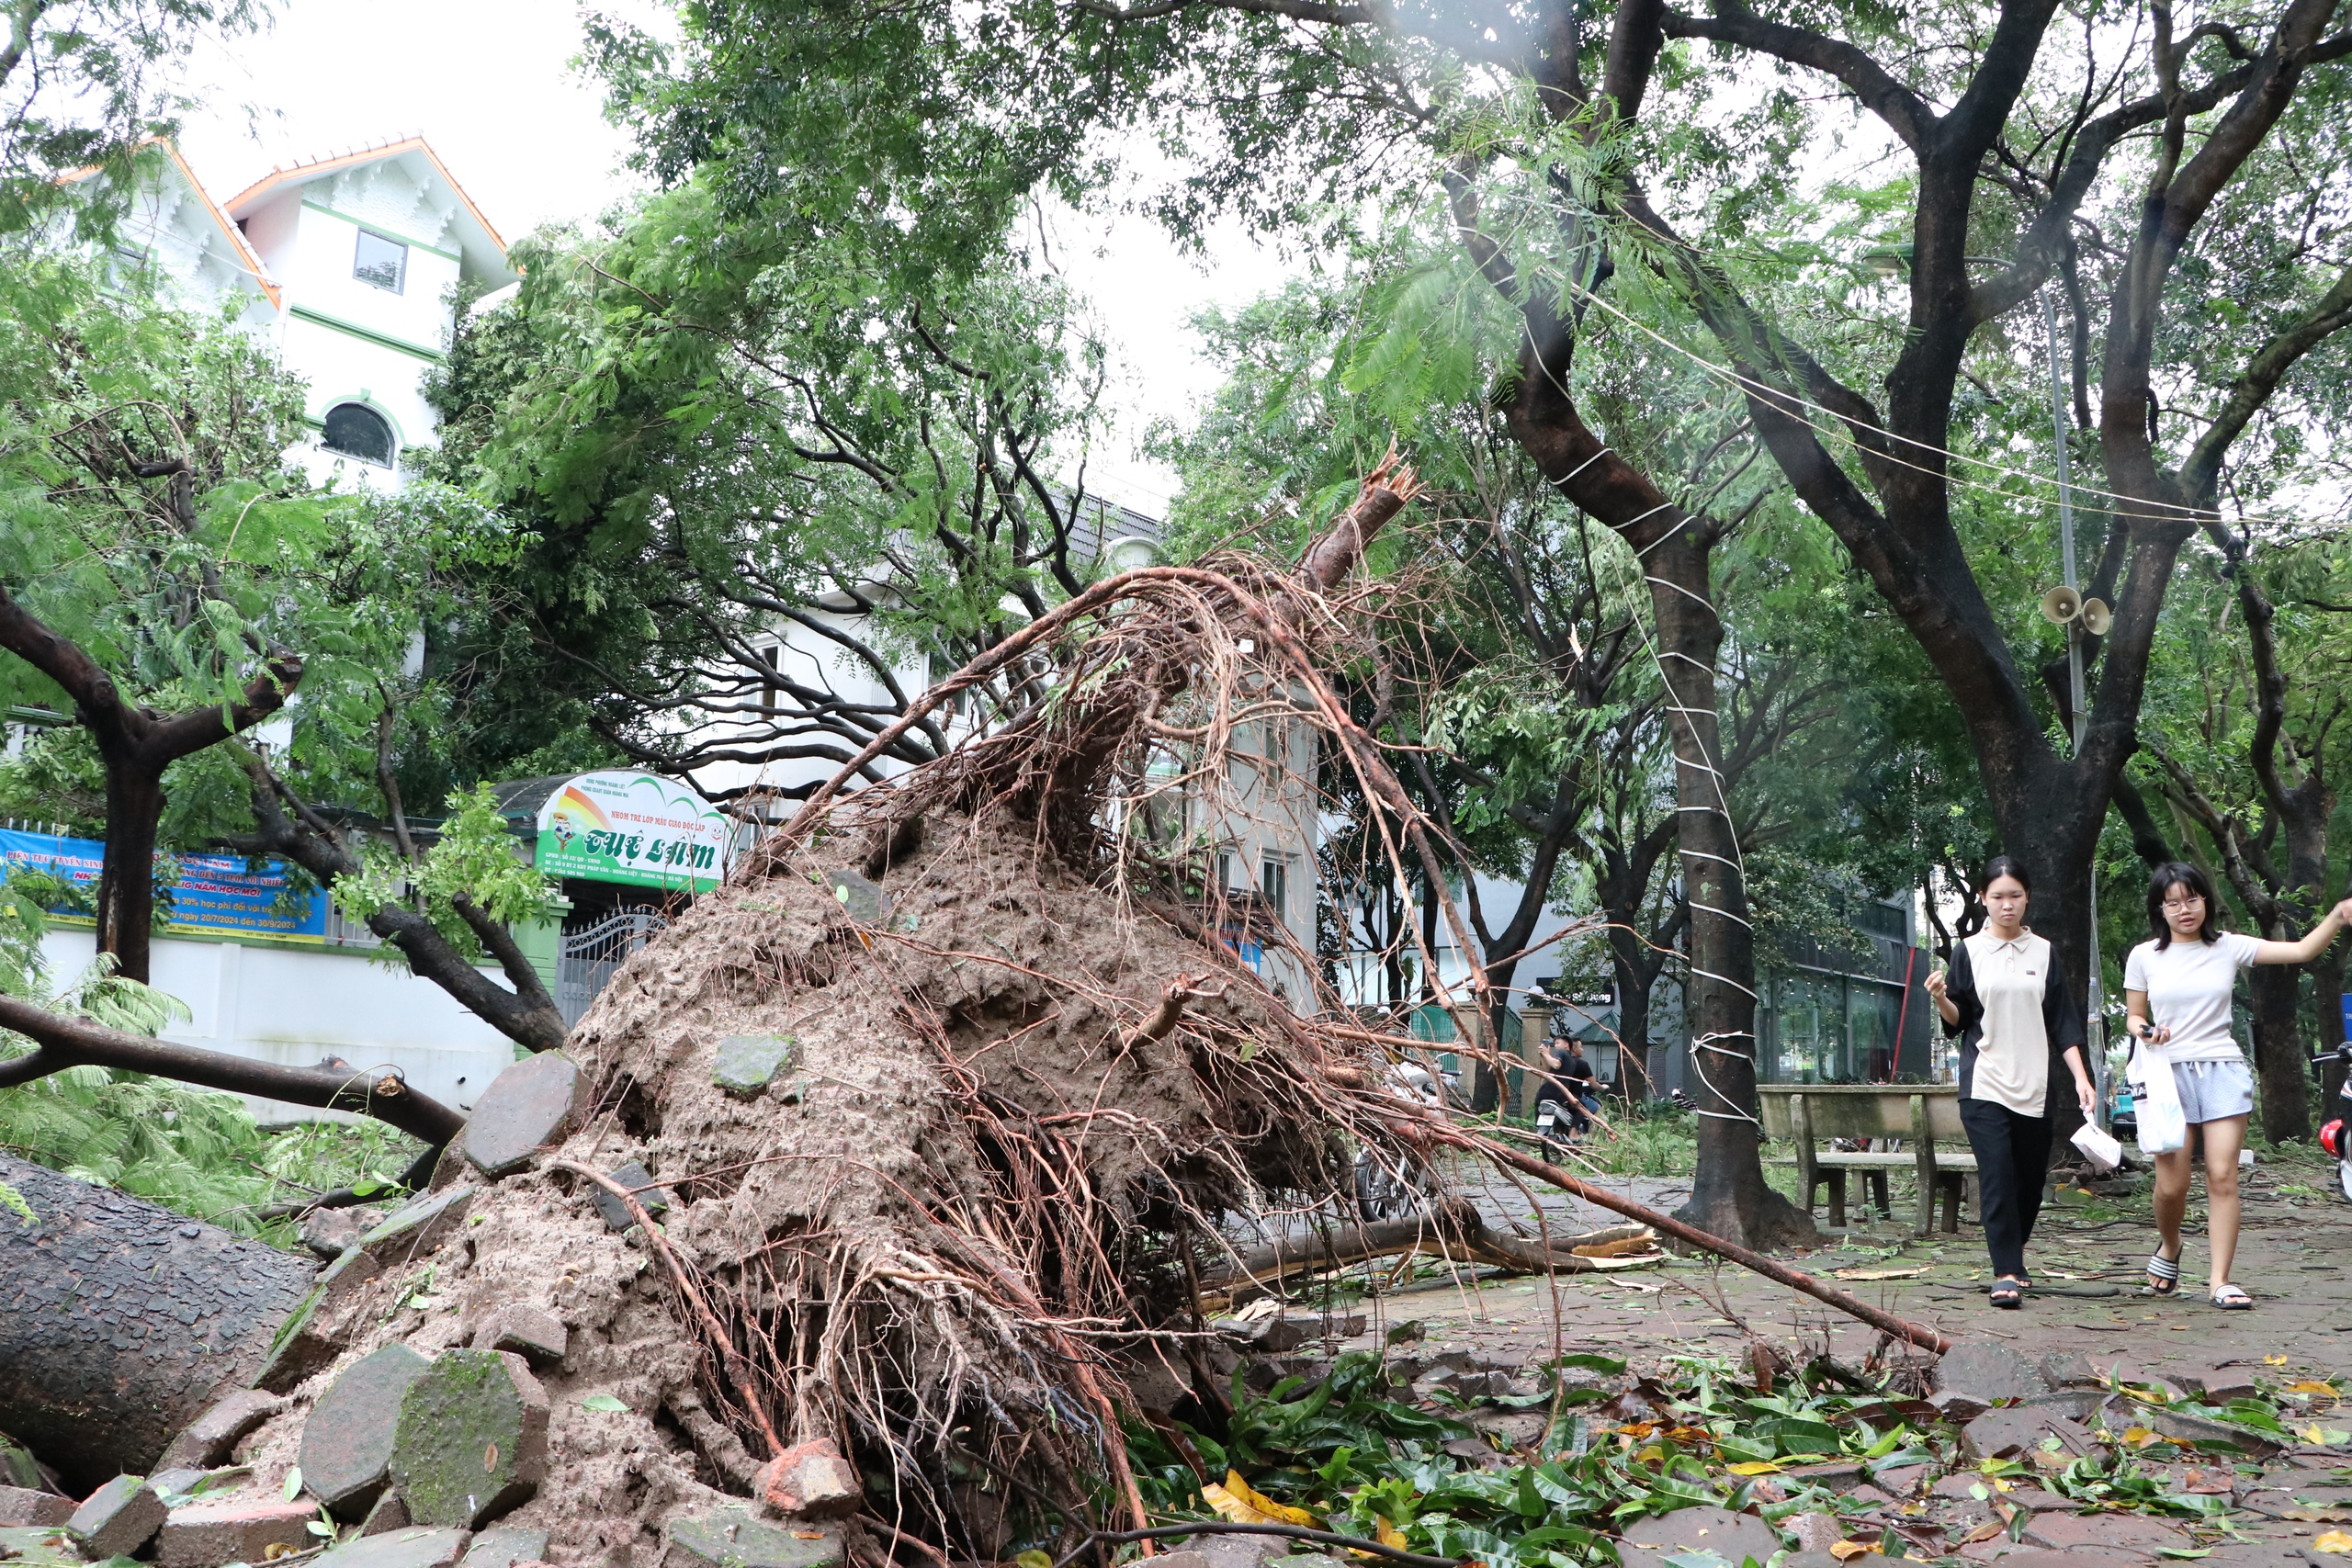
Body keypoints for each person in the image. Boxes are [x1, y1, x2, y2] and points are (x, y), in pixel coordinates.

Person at [2126, 863, 2352, 1310]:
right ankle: (2170, 1246)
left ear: (2206, 900)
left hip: (2222, 1069)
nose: (2184, 909)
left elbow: (2303, 951)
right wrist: (2147, 1031)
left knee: (2222, 1174)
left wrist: (2337, 916)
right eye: (2172, 902)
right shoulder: (2144, 955)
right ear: (2160, 909)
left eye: (2191, 899)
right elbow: (2134, 1016)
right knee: (2172, 1185)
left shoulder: (2228, 947)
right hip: (2167, 1075)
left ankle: (2219, 1281)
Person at [1923, 857, 2093, 1309]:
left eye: (2014, 895)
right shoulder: (1968, 952)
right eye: (1997, 896)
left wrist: (2081, 1078)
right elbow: (1959, 1022)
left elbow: (2063, 1022)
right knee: (1996, 1174)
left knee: (2030, 1180)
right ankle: (2004, 1273)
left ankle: (2015, 1258)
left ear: (2027, 897)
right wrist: (1941, 997)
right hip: (1984, 1081)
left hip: (2035, 1084)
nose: (2006, 904)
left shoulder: (2045, 952)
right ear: (1983, 899)